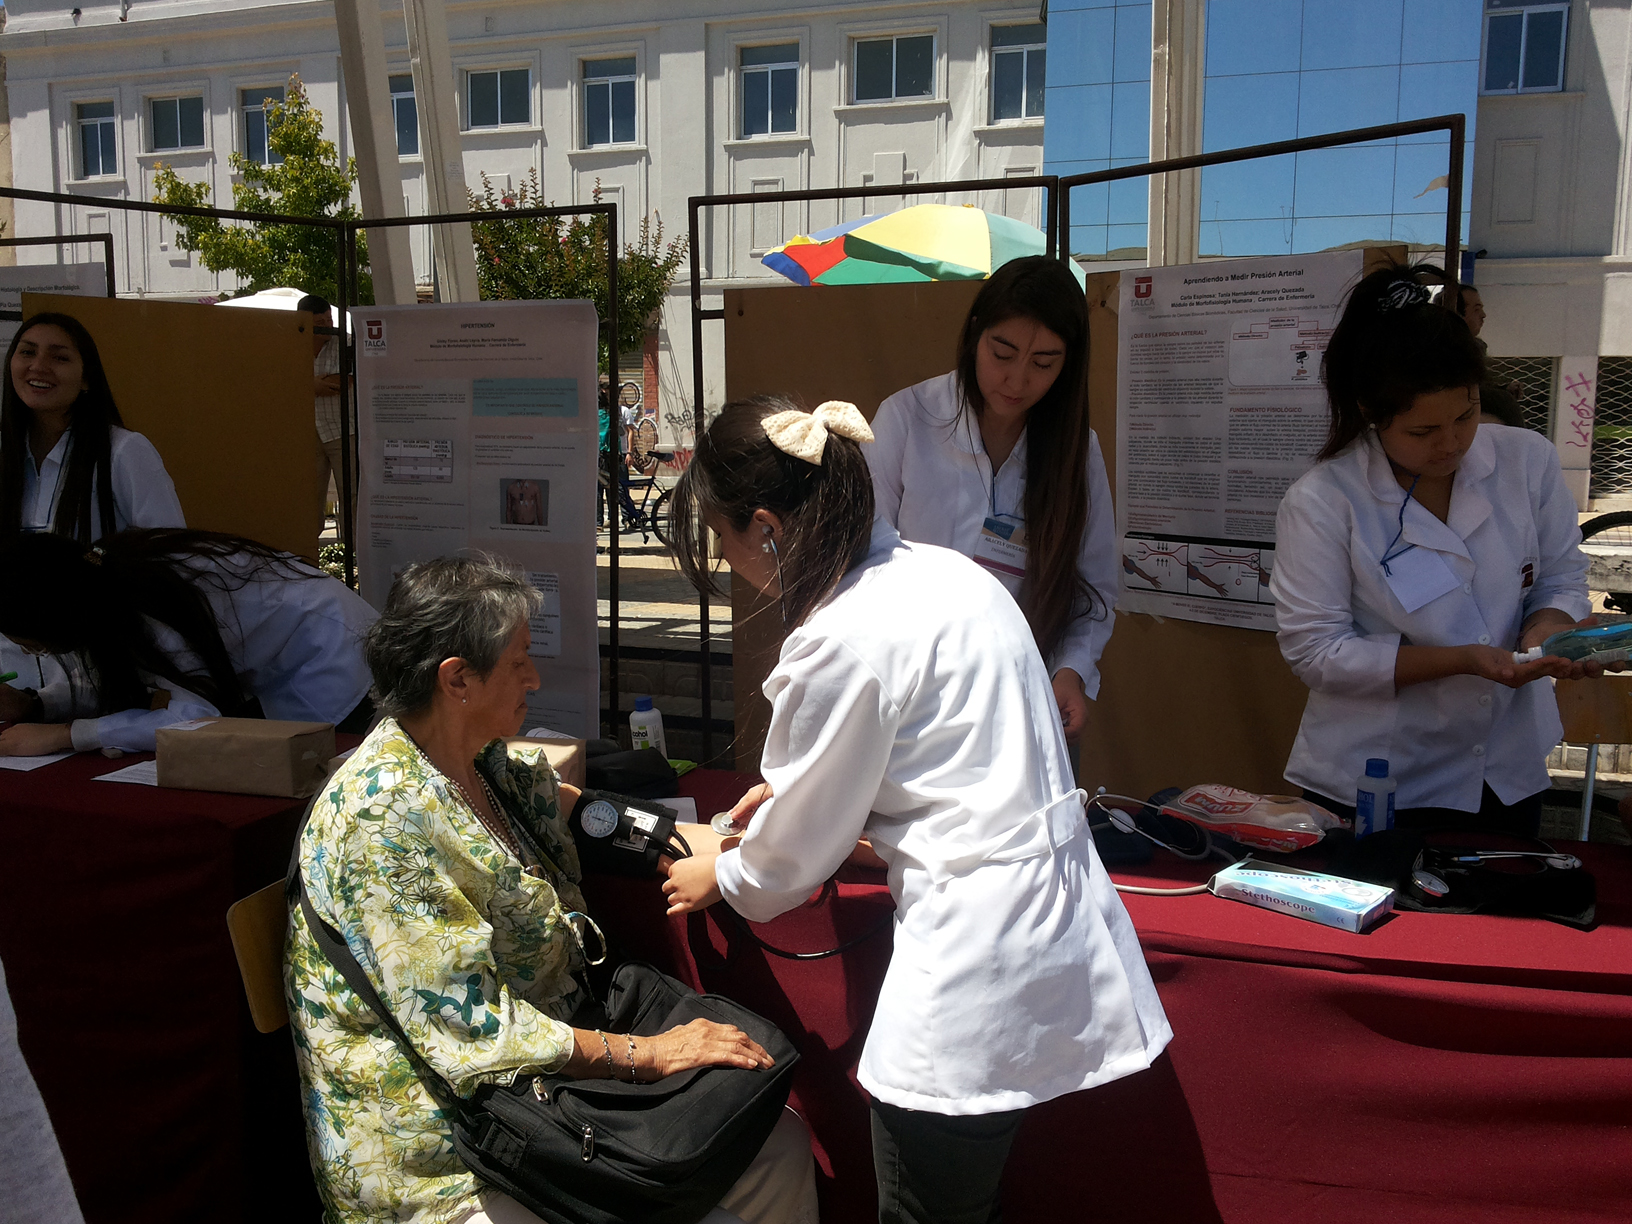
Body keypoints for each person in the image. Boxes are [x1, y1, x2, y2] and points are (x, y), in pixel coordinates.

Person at [662, 397, 1171, 1224]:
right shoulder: (953, 576)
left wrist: (724, 872)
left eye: (722, 538)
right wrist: (807, 802)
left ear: (766, 528)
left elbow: (785, 869)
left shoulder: (844, 635)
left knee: (927, 1207)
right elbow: (951, 774)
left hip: (973, 963)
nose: (727, 561)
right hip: (1050, 930)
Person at [286, 555, 817, 1224]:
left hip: (546, 1093)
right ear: (457, 678)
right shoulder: (381, 820)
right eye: (518, 662)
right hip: (447, 1156)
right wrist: (652, 1055)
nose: (534, 678)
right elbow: (477, 1036)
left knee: (776, 1144)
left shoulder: (480, 763)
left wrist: (768, 840)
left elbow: (599, 817)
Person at [1271, 265, 1599, 836]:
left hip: (1506, 768)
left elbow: (1559, 577)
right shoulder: (1325, 500)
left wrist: (1548, 632)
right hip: (1379, 775)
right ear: (1371, 413)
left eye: (1465, 415)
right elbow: (1318, 653)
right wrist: (1465, 660)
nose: (1450, 444)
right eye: (1422, 432)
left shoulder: (1527, 460)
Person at [865, 255, 1114, 742]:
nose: (1017, 381)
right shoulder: (907, 419)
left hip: (1022, 698)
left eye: (1043, 363)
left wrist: (1072, 669)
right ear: (975, 334)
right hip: (911, 691)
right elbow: (862, 561)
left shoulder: (1076, 452)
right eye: (1002, 354)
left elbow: (1094, 586)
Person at [0, 528, 377, 756]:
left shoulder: (150, 609)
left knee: (315, 775)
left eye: (39, 646)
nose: (35, 653)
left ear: (62, 617)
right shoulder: (105, 579)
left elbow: (194, 720)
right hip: (286, 660)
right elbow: (111, 679)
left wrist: (66, 735)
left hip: (332, 655)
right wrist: (36, 704)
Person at [0, 312, 187, 715]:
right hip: (11, 683)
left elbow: (170, 566)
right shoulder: (4, 455)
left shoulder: (124, 452)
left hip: (101, 682)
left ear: (87, 379)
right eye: (27, 352)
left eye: (59, 357)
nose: (38, 366)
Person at [298, 294, 355, 547]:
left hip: (344, 431)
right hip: (307, 433)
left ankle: (353, 552)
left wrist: (307, 384)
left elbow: (344, 381)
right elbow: (278, 380)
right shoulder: (290, 345)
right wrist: (312, 384)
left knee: (351, 496)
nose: (327, 326)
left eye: (329, 320)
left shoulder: (347, 343)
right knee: (308, 500)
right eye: (320, 323)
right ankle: (307, 553)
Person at [1452, 283, 1524, 427]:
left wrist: (1504, 389)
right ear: (1457, 313)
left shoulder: (1475, 347)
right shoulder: (1446, 347)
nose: (1483, 315)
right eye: (1476, 309)